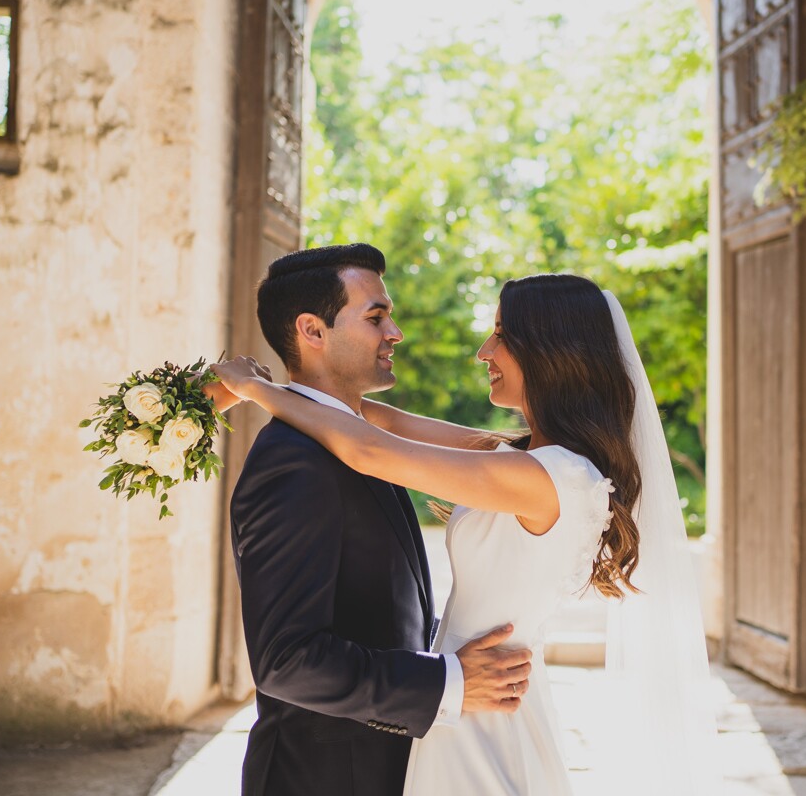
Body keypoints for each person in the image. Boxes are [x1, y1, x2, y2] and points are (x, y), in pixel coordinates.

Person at [215, 265, 718, 796]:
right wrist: (283, 390)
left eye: (501, 334)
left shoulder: (545, 477)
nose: (484, 350)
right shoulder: (528, 460)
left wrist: (253, 389)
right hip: (464, 701)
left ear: (550, 350)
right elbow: (381, 422)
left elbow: (367, 448)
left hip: (481, 709)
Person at [220, 244, 536, 796]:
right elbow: (286, 661)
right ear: (312, 331)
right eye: (375, 317)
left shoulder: (358, 440)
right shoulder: (294, 462)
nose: (396, 332)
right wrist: (448, 681)